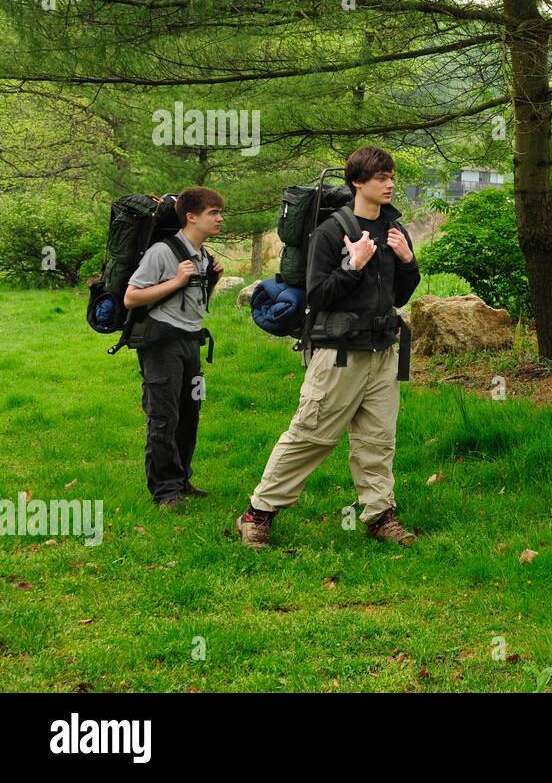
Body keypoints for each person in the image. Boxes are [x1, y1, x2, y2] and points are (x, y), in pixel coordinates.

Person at [238, 146, 421, 548]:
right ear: (358, 182)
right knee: (310, 436)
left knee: (378, 440)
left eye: (391, 177)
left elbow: (401, 295)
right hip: (337, 353)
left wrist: (408, 261)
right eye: (381, 178)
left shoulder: (394, 229)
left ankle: (378, 515)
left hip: (383, 352)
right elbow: (318, 295)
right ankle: (258, 512)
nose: (390, 184)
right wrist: (351, 266)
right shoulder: (329, 233)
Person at [123, 186, 225, 508]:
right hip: (162, 344)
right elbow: (131, 297)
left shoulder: (203, 254)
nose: (220, 219)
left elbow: (193, 300)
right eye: (214, 213)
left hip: (191, 343)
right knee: (164, 417)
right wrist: (176, 282)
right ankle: (165, 491)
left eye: (221, 213)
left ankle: (181, 480)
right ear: (191, 217)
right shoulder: (162, 253)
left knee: (189, 414)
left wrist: (212, 279)